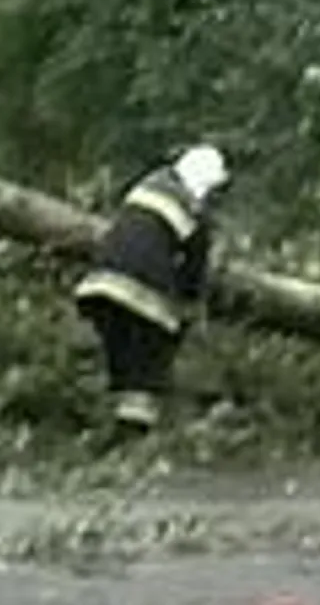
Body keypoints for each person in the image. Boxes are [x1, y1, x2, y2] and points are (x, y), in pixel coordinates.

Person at [73, 144, 230, 444]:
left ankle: (118, 433)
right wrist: (189, 309)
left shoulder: (146, 187)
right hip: (143, 292)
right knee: (149, 359)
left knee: (124, 360)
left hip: (99, 286)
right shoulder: (193, 211)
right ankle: (134, 437)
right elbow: (193, 271)